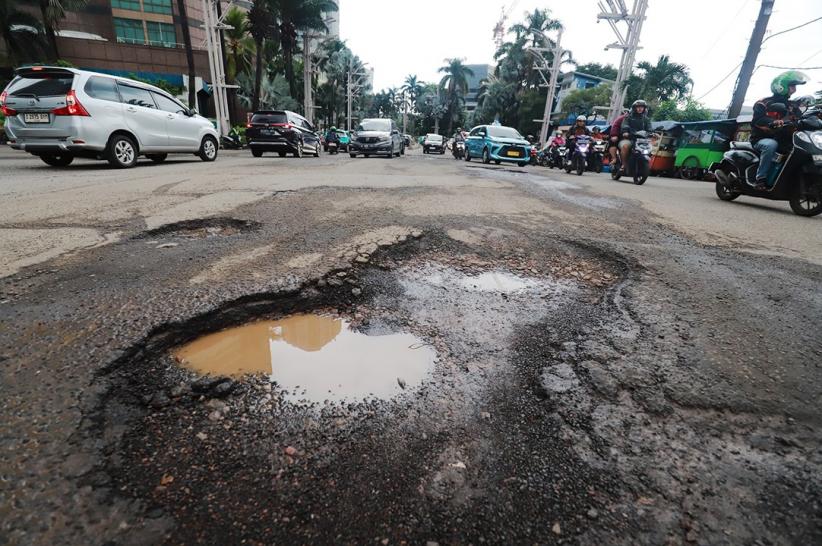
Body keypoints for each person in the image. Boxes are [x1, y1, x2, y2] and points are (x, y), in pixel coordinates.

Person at [750, 71, 808, 190]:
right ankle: (760, 179)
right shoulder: (763, 103)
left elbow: (801, 117)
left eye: (795, 86)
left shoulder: (792, 105)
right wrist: (772, 122)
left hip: (785, 139)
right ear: (781, 86)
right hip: (761, 139)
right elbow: (758, 120)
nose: (794, 90)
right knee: (771, 145)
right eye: (792, 86)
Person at [618, 100, 652, 171]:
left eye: (642, 107)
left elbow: (650, 129)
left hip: (642, 140)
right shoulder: (628, 117)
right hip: (629, 138)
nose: (640, 109)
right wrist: (625, 132)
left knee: (649, 149)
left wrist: (653, 134)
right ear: (634, 108)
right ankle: (624, 164)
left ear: (644, 108)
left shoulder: (646, 119)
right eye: (638, 107)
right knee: (625, 146)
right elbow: (624, 125)